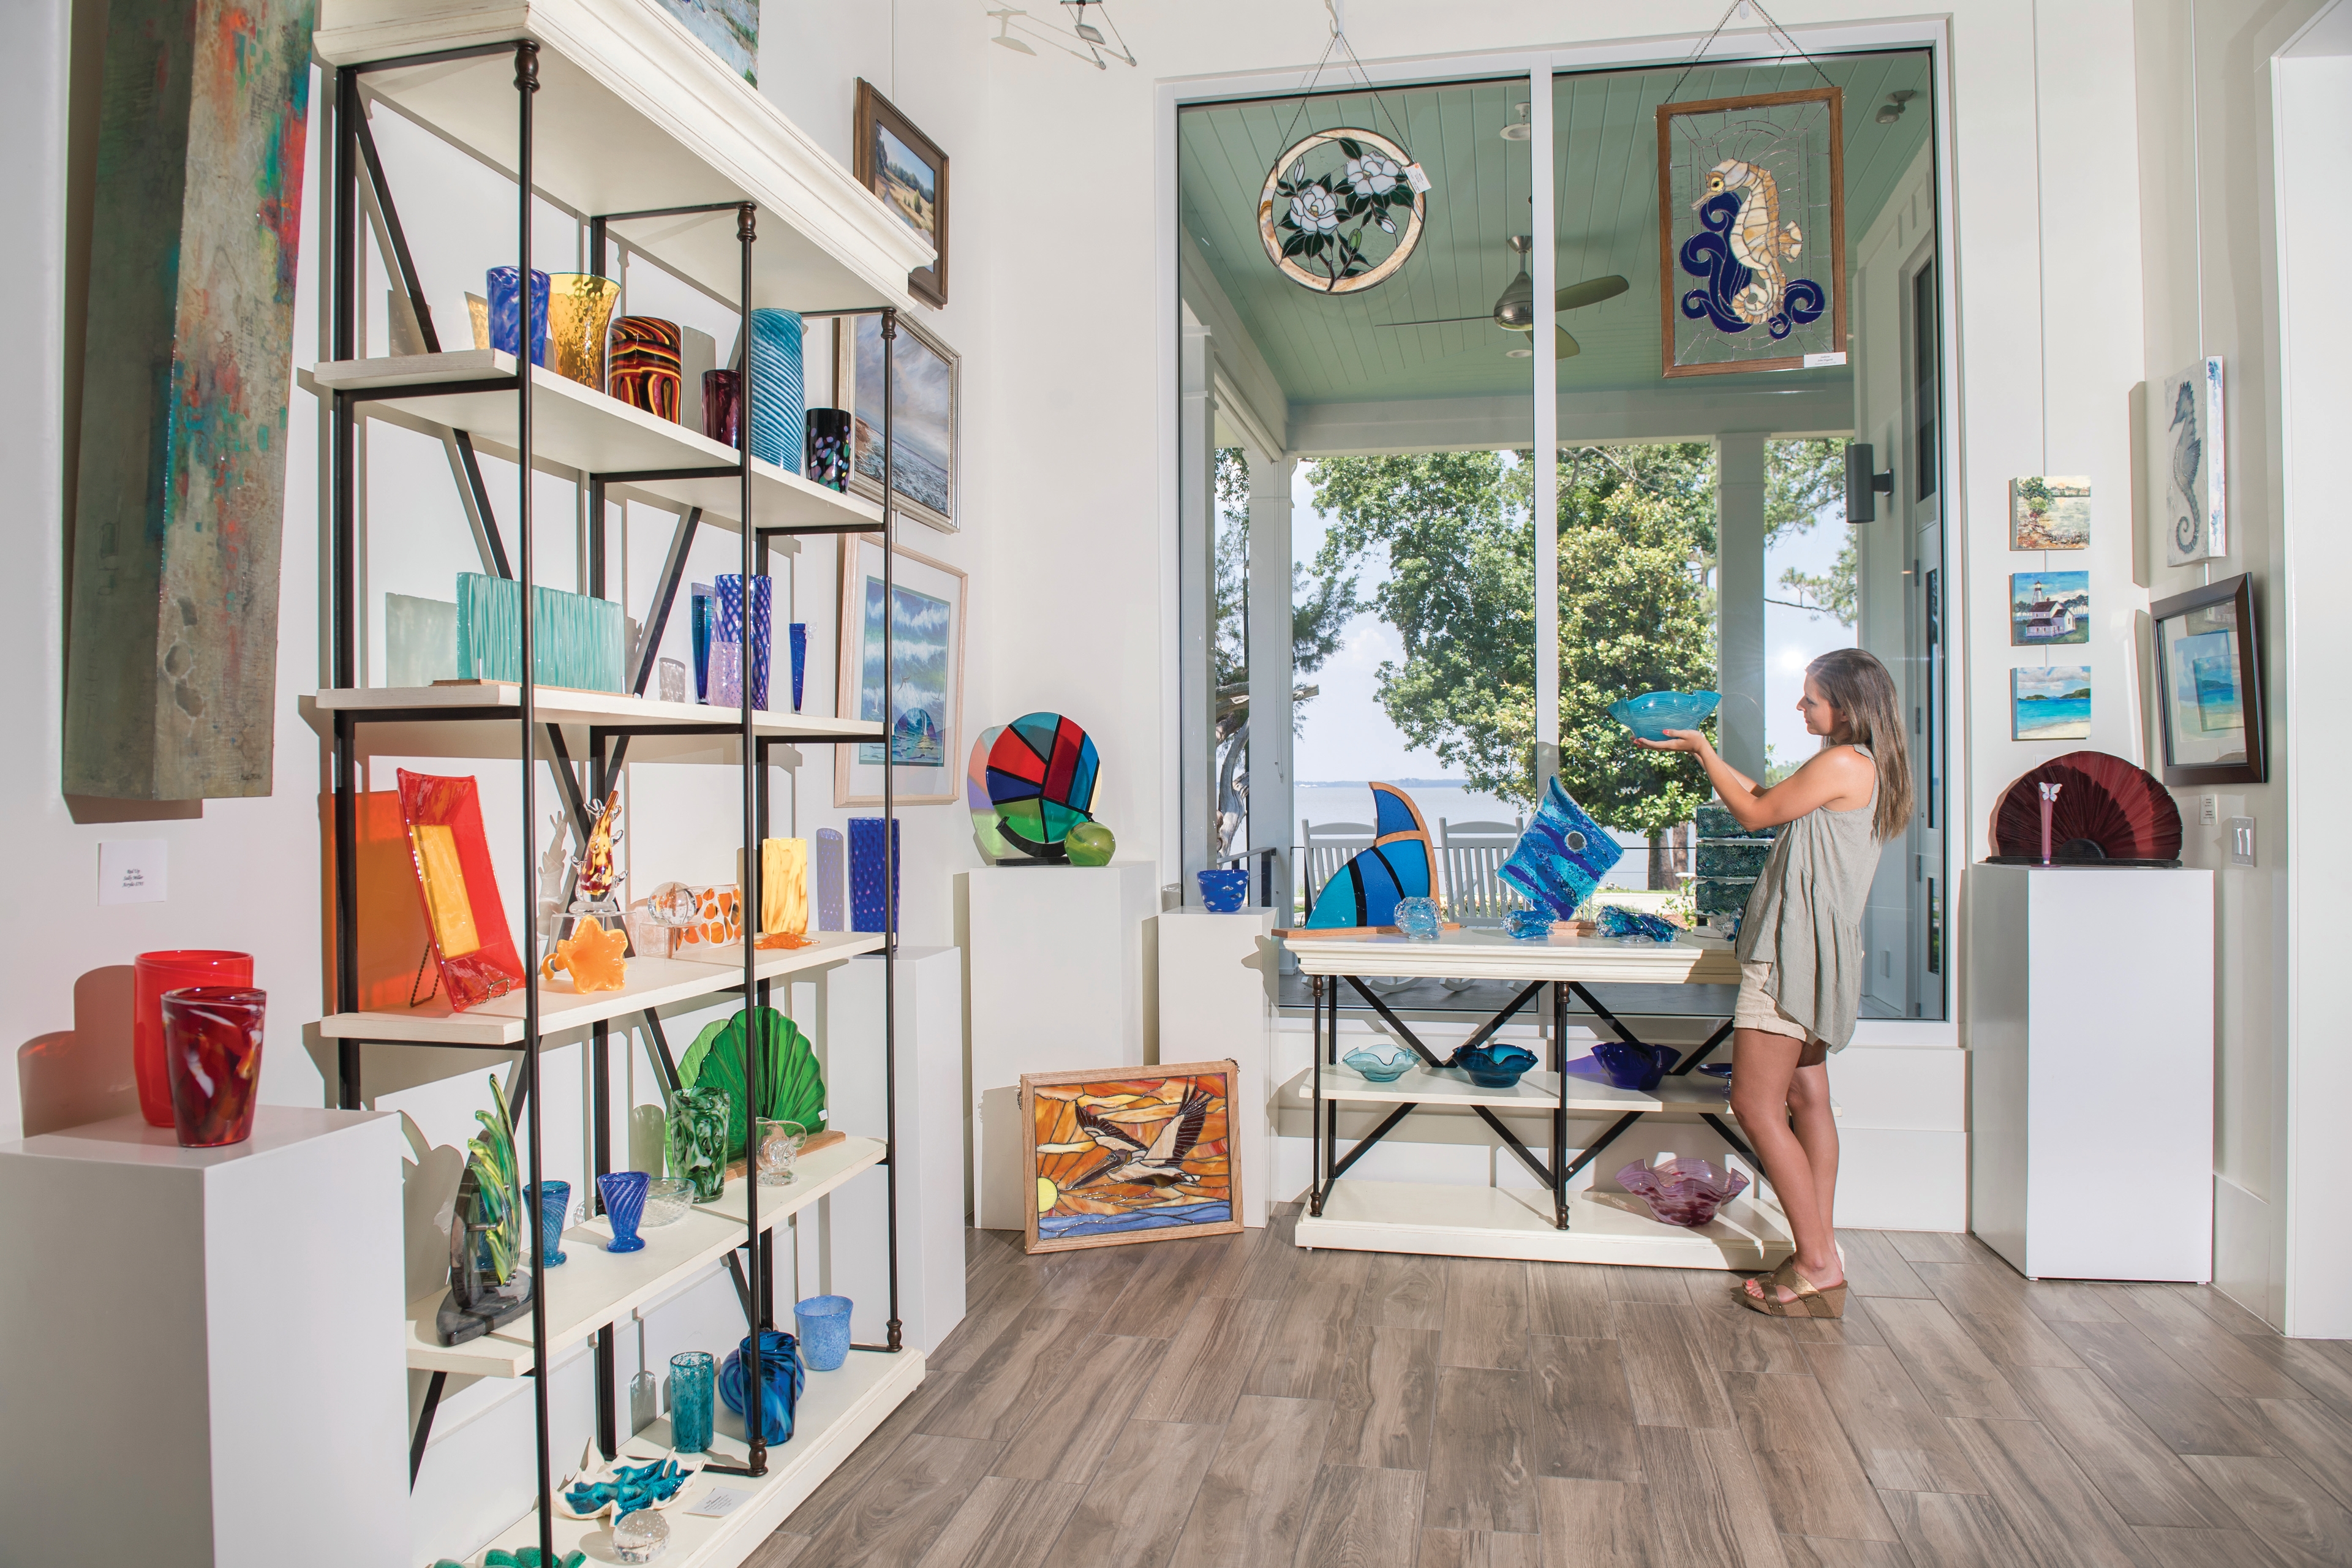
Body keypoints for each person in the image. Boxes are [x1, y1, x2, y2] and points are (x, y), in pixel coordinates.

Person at [1635, 648, 1913, 1317]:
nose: (1801, 707)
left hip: (1789, 956)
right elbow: (1765, 797)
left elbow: (1755, 817)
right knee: (1808, 1098)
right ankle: (1821, 1248)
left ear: (1844, 706)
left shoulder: (1842, 761)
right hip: (1825, 954)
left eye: (1811, 698)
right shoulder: (1866, 767)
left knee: (1758, 1106)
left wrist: (1704, 751)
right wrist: (1704, 749)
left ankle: (1817, 1262)